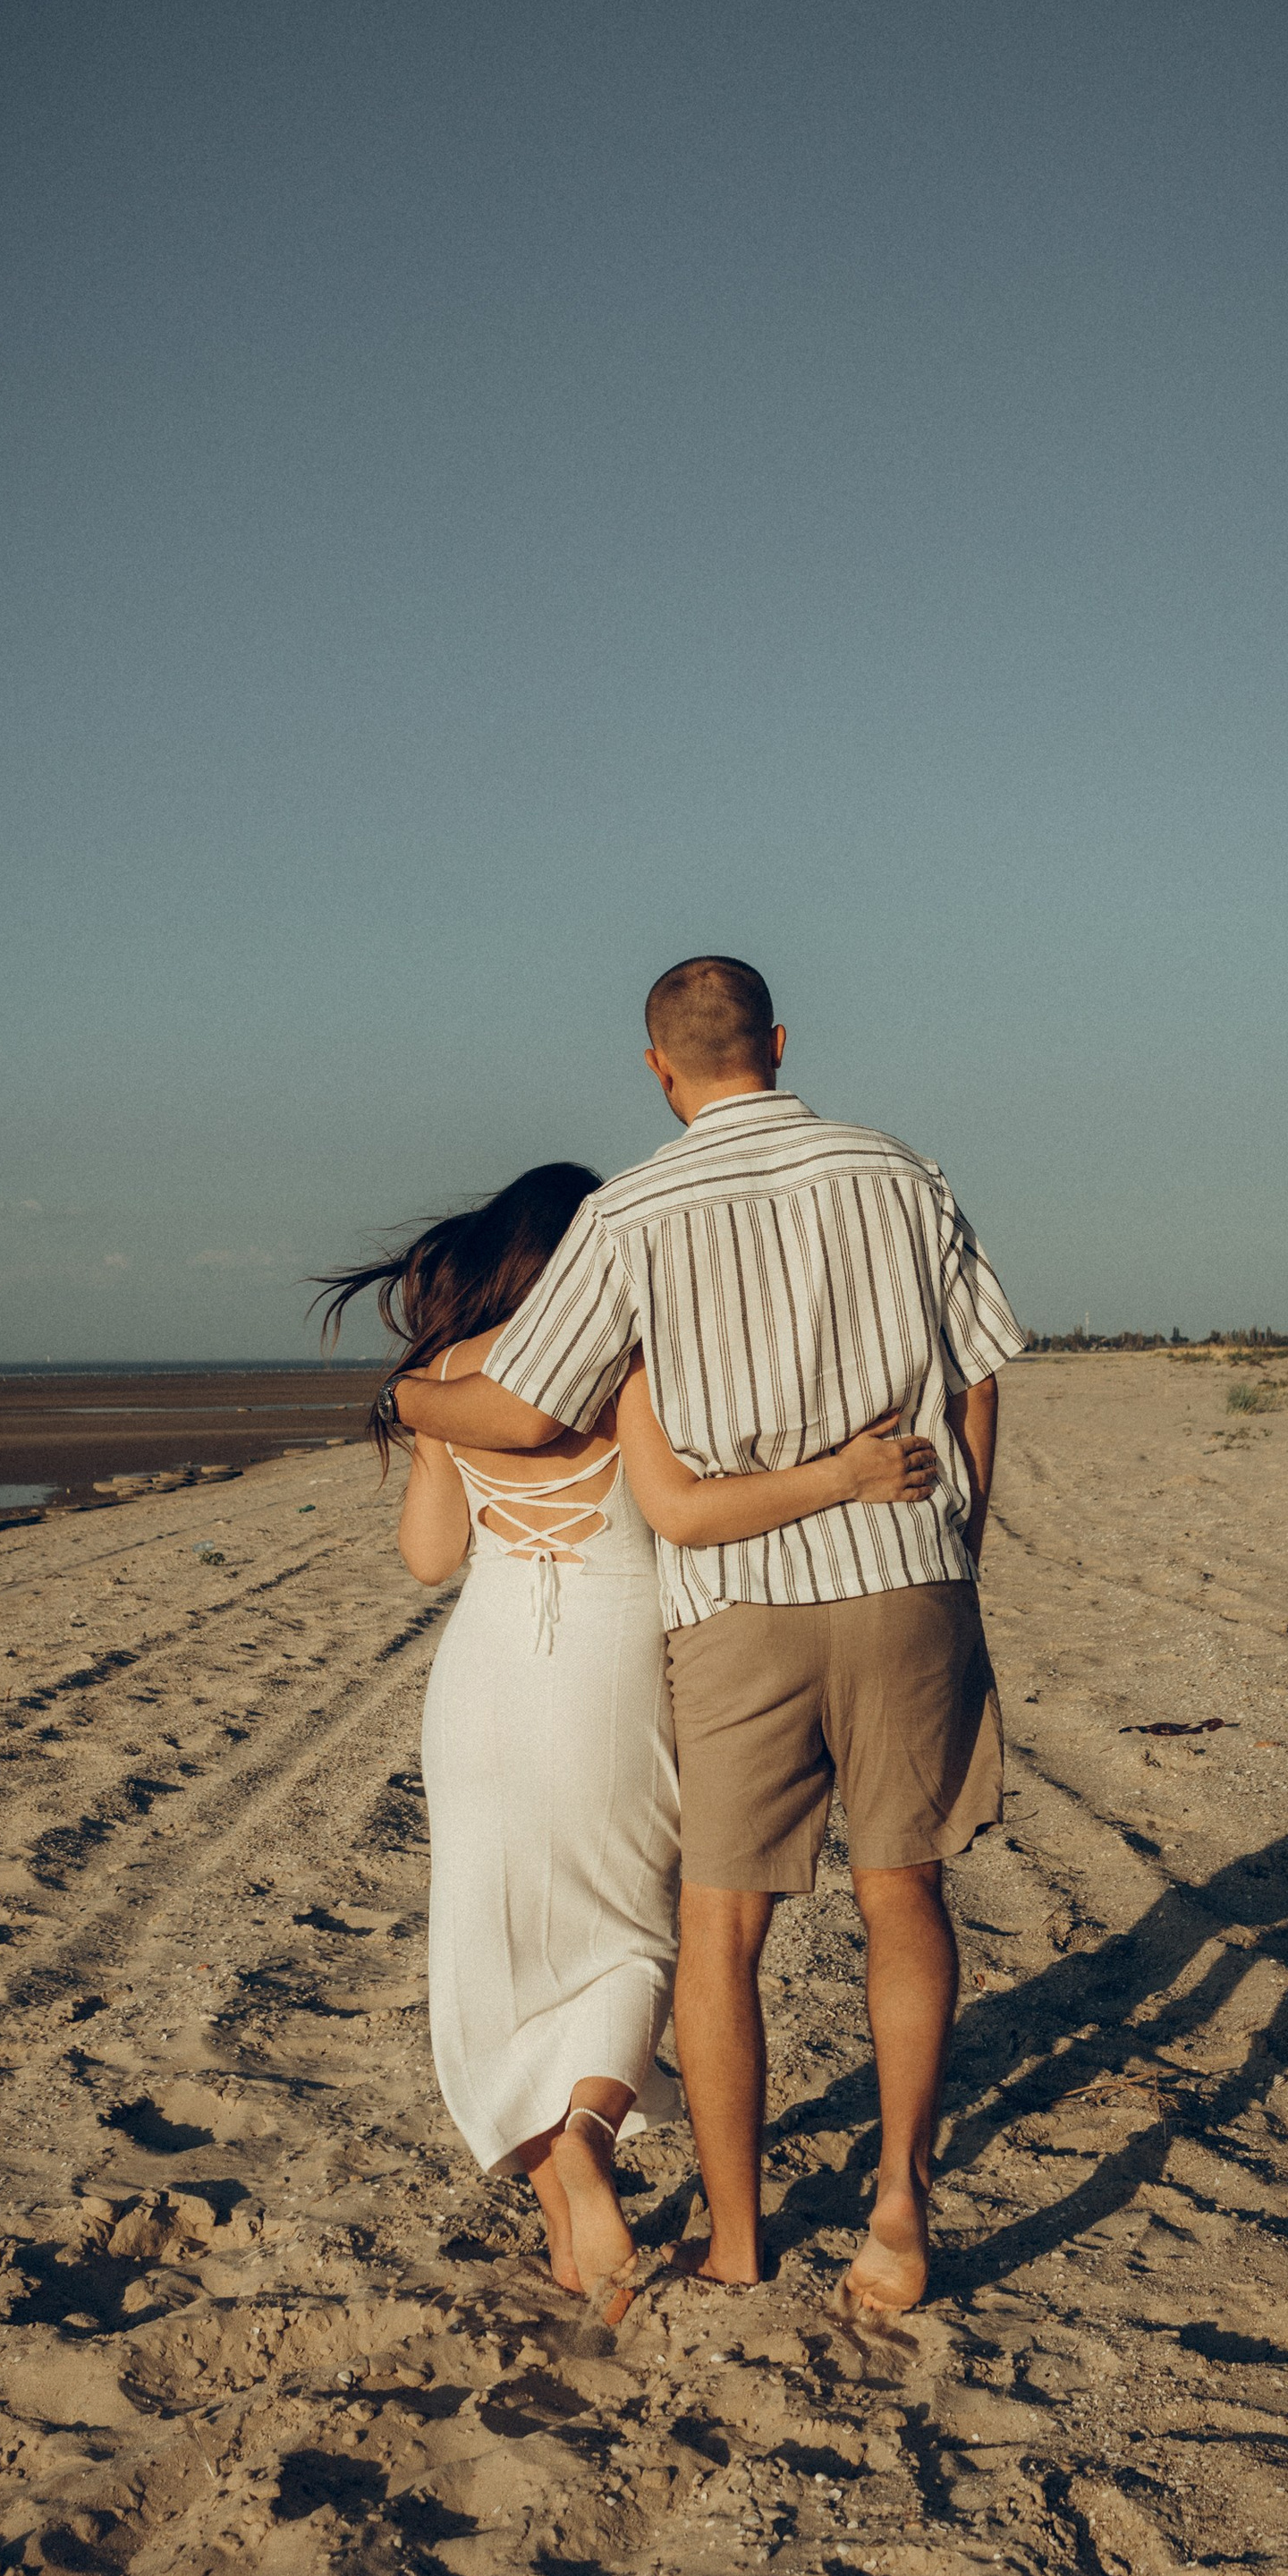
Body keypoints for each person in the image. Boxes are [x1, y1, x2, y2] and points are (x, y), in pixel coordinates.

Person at [392, 960, 1023, 2313]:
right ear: (783, 1043)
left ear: (657, 1069)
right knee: (901, 1892)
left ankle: (736, 2244)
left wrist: (409, 1394)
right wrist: (950, 1545)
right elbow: (976, 1380)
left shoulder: (629, 1214)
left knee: (719, 1931)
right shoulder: (903, 1174)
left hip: (733, 1599)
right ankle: (900, 2207)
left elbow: (520, 1413)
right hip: (906, 1575)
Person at [316, 1163, 938, 2312]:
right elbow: (683, 1515)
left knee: (491, 1948)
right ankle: (589, 2132)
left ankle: (566, 2188)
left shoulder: (443, 1377)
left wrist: (420, 1414)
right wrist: (842, 1476)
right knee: (629, 1941)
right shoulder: (631, 1362)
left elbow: (428, 1558)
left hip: (485, 1673)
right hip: (612, 1669)